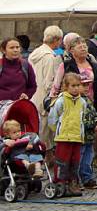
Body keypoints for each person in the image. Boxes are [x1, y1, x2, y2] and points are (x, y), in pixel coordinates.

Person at [49, 35, 97, 190]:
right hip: (68, 116)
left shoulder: (94, 65)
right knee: (72, 151)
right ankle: (69, 178)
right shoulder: (65, 65)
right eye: (79, 46)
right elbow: (56, 85)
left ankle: (85, 177)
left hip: (90, 105)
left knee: (88, 146)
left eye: (84, 45)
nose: (83, 48)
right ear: (71, 50)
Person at [49, 73, 95, 197]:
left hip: (77, 137)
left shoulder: (82, 102)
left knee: (75, 161)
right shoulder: (60, 101)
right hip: (63, 137)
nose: (75, 88)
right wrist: (58, 130)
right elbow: (53, 118)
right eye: (73, 86)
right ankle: (60, 181)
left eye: (78, 85)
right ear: (66, 87)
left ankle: (73, 182)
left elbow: (82, 117)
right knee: (62, 161)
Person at [29, 25, 63, 161]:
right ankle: (44, 158)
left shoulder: (34, 53)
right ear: (57, 39)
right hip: (44, 96)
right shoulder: (50, 57)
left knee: (38, 127)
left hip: (33, 95)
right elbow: (49, 81)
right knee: (46, 130)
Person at [0, 37, 37, 102]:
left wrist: (27, 95)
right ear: (3, 50)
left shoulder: (26, 65)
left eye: (17, 47)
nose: (15, 50)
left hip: (20, 106)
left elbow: (32, 86)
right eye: (12, 48)